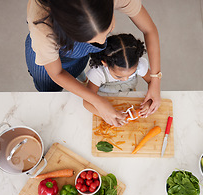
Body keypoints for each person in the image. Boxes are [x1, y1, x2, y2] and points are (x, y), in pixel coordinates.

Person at [25, 0, 162, 127]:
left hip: (76, 54)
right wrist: (98, 101)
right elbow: (56, 73)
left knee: (78, 69)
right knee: (50, 92)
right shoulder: (43, 30)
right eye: (91, 41)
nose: (103, 43)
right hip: (47, 65)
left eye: (108, 30)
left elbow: (149, 29)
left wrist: (155, 80)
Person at [83, 33, 155, 123]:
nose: (125, 79)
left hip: (129, 95)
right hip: (104, 100)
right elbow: (87, 102)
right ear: (105, 63)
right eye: (118, 76)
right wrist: (105, 114)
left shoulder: (140, 65)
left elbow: (153, 82)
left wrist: (149, 101)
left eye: (132, 74)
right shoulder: (98, 73)